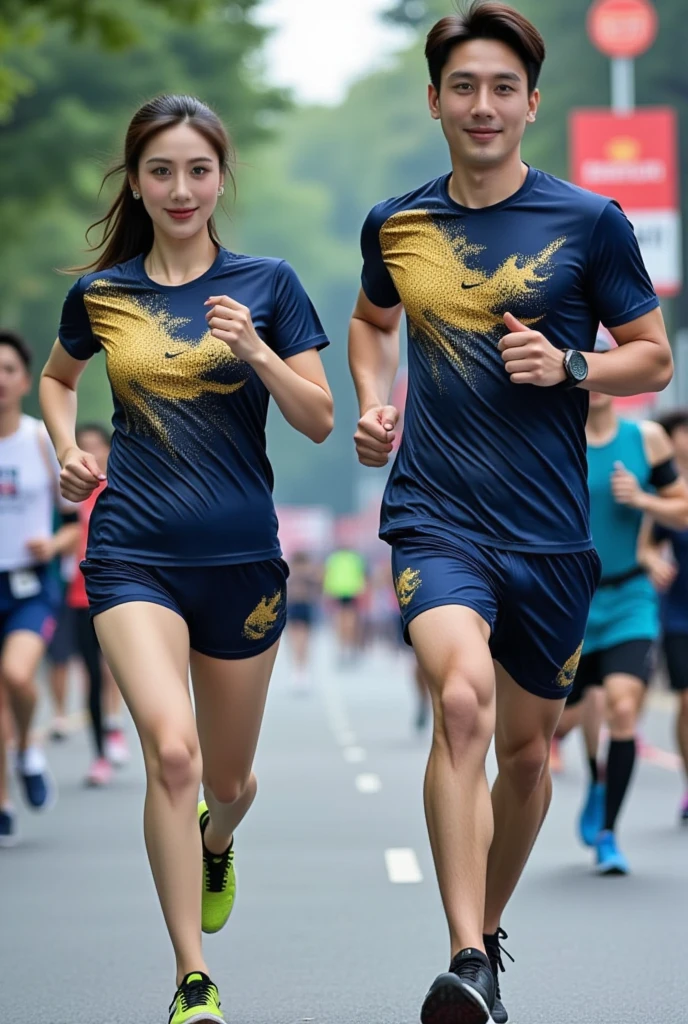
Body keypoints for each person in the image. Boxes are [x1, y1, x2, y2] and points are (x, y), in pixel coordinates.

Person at [347, 4, 672, 1022]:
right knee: (459, 704)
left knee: (528, 753)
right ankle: (463, 952)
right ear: (435, 101)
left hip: (552, 533)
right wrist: (371, 400)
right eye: (461, 86)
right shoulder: (397, 224)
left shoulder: (588, 222)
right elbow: (369, 321)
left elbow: (651, 353)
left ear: (530, 103)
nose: (480, 105)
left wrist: (572, 363)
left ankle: (481, 940)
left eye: (500, 88)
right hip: (436, 517)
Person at [39, 94, 332, 1023]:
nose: (179, 188)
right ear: (136, 180)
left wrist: (259, 352)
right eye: (160, 171)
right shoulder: (104, 294)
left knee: (228, 781)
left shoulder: (269, 284)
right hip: (132, 554)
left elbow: (319, 418)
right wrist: (67, 449)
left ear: (220, 177)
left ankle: (218, 841)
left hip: (242, 560)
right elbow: (57, 379)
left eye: (197, 170)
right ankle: (191, 977)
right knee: (170, 751)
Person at [553, 345, 688, 873]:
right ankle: (594, 773)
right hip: (571, 599)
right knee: (573, 712)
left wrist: (644, 502)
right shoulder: (558, 441)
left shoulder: (647, 439)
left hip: (631, 595)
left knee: (624, 707)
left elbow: (682, 508)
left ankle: (609, 832)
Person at [0, 329, 80, 846]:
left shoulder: (38, 440)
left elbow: (75, 521)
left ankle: (28, 744)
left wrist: (53, 547)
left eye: (7, 370)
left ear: (26, 380)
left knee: (15, 675)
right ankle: (4, 802)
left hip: (30, 588)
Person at [641, 408, 688, 822]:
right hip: (679, 615)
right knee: (687, 702)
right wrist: (653, 561)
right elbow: (649, 543)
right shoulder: (669, 500)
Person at [65, 423, 116, 786]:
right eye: (83, 447)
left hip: (120, 593)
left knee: (118, 669)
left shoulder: (123, 489)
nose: (91, 453)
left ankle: (116, 726)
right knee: (91, 675)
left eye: (97, 446)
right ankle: (99, 753)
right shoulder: (70, 492)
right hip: (80, 596)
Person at [285, 550, 322, 693]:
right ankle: (298, 669)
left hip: (305, 608)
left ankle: (302, 669)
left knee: (304, 640)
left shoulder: (309, 574)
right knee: (296, 640)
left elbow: (318, 589)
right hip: (294, 608)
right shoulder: (291, 573)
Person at [322, 547, 367, 664]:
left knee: (344, 622)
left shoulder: (335, 558)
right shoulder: (354, 558)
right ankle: (346, 648)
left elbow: (328, 576)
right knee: (347, 623)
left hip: (344, 592)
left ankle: (346, 648)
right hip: (348, 592)